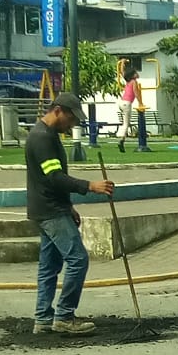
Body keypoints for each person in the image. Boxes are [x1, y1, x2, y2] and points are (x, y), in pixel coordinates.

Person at [26, 92, 114, 337]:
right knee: (78, 259)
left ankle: (43, 318)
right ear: (58, 111)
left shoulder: (47, 135)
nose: (72, 124)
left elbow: (51, 179)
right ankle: (64, 316)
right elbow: (54, 178)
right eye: (71, 118)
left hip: (49, 207)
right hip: (50, 211)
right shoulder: (42, 138)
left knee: (49, 265)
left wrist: (69, 207)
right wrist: (90, 186)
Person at [117, 67, 142, 152]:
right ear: (132, 75)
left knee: (125, 122)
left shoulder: (128, 82)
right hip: (127, 103)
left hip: (122, 102)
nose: (137, 74)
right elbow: (136, 92)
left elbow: (122, 72)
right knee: (126, 124)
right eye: (135, 73)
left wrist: (122, 63)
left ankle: (122, 139)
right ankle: (121, 139)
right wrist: (140, 102)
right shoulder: (134, 82)